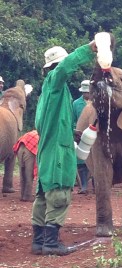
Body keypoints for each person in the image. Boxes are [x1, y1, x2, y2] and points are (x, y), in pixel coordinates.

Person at [31, 40, 97, 256]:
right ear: (55, 67)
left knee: (44, 194)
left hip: (48, 148)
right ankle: (51, 243)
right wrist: (89, 49)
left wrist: (71, 133)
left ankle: (39, 242)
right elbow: (64, 68)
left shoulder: (47, 94)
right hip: (58, 151)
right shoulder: (54, 82)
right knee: (59, 193)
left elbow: (52, 123)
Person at [73, 80, 91, 194]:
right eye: (85, 92)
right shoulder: (76, 104)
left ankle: (96, 185)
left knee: (97, 160)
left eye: (88, 92)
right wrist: (74, 130)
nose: (87, 94)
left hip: (95, 135)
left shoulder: (97, 103)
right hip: (80, 136)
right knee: (81, 160)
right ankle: (83, 186)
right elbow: (72, 119)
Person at [13, 130, 39, 202]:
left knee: (22, 173)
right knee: (29, 174)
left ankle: (23, 195)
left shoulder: (33, 133)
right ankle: (27, 196)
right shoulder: (43, 135)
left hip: (20, 148)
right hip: (30, 150)